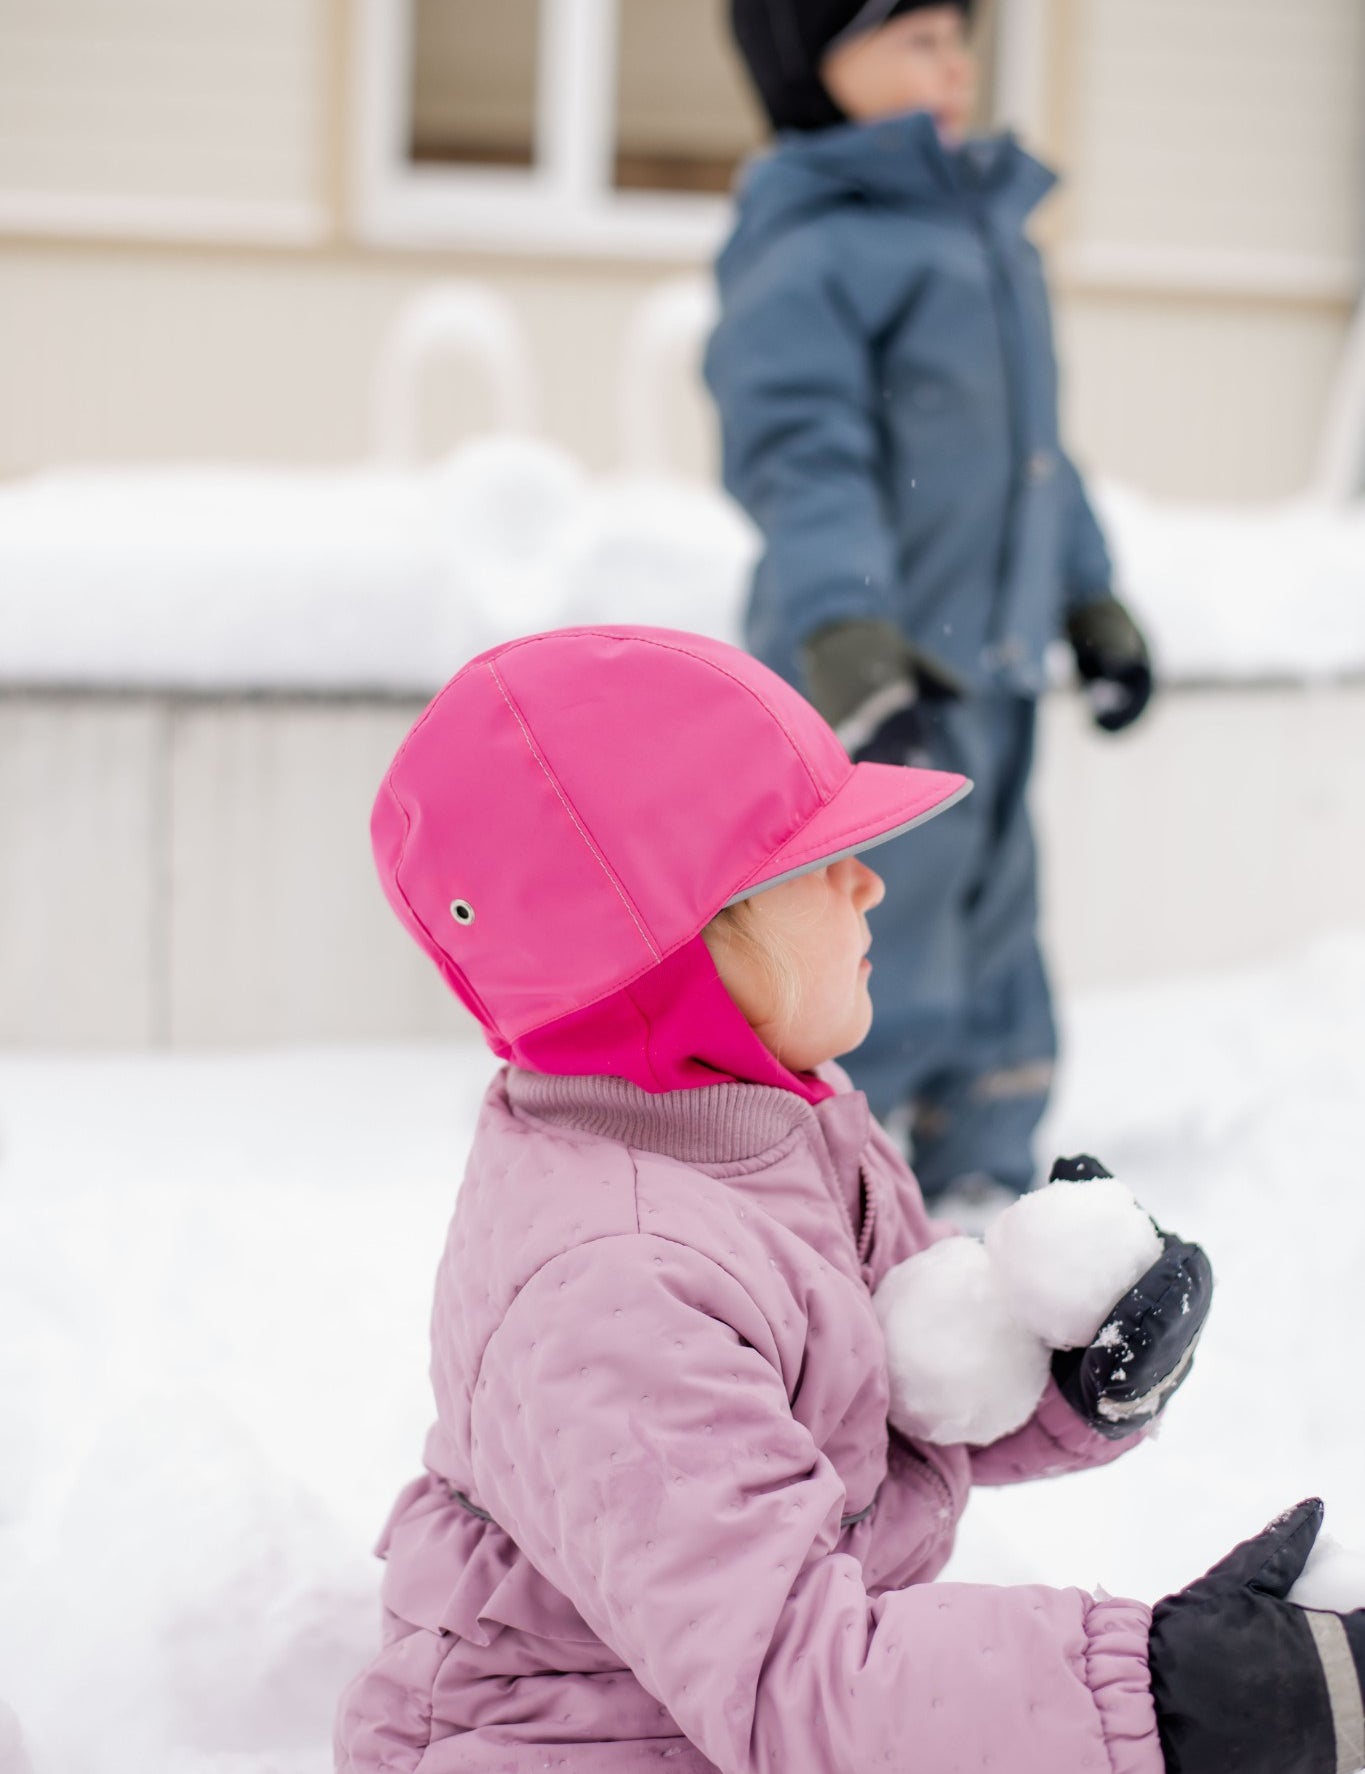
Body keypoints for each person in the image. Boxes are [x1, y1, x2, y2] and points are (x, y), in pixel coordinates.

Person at [335, 625, 1362, 1774]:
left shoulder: (768, 1114)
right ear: (674, 947)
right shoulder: (613, 1285)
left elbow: (857, 1407)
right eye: (810, 860)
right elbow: (803, 1681)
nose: (870, 880)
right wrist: (1177, 1698)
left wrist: (1063, 1381)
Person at [706, 0, 1155, 1218]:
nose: (954, 62)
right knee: (867, 938)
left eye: (961, 36)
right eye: (915, 38)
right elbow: (805, 455)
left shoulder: (991, 235)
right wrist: (848, 635)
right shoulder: (814, 242)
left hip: (994, 673)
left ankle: (990, 1188)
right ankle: (843, 1195)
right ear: (820, 62)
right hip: (874, 681)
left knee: (1001, 924)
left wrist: (1092, 596)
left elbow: (1037, 461)